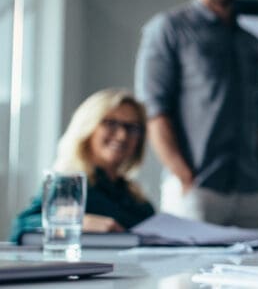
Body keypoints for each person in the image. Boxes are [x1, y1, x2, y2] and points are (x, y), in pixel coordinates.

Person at [134, 0, 258, 228]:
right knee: (186, 275)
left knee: (251, 273)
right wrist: (183, 175)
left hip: (252, 190)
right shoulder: (168, 29)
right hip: (198, 188)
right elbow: (154, 108)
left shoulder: (252, 44)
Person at [10, 89, 155, 242]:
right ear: (88, 127)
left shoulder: (137, 199)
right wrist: (79, 222)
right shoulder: (68, 184)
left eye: (132, 128)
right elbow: (21, 226)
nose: (122, 135)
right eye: (111, 123)